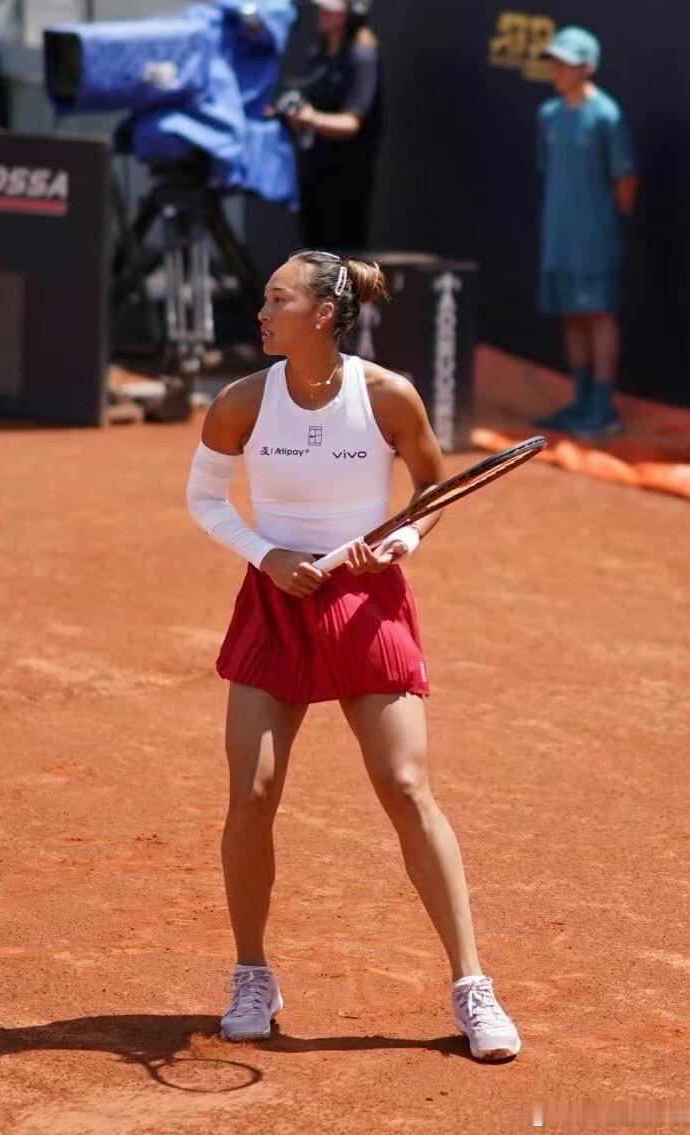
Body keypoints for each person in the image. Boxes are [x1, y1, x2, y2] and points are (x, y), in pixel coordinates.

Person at [185, 248, 522, 1062]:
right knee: (252, 792)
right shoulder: (240, 401)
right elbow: (204, 499)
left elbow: (433, 492)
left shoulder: (387, 395)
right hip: (276, 601)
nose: (262, 312)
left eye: (277, 299)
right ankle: (253, 973)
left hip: (366, 603)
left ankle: (472, 984)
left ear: (323, 314)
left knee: (406, 786)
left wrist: (400, 542)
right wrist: (268, 555)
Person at [535, 26, 638, 438]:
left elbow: (625, 182)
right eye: (553, 62)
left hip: (596, 235)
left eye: (565, 63)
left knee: (598, 314)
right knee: (571, 315)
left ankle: (602, 406)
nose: (556, 70)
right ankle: (580, 401)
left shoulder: (607, 116)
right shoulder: (548, 115)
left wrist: (605, 223)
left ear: (588, 67)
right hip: (558, 234)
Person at [282, 0, 382, 251]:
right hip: (314, 170)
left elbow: (351, 123)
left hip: (346, 177)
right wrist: (295, 117)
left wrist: (312, 118)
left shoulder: (361, 57)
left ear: (351, 15)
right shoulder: (318, 56)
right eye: (322, 9)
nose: (322, 14)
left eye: (331, 11)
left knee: (342, 255)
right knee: (312, 254)